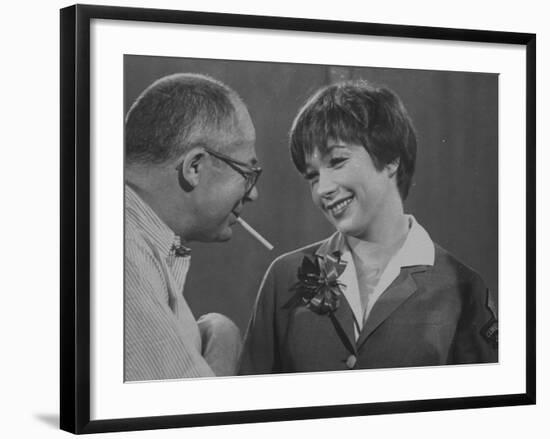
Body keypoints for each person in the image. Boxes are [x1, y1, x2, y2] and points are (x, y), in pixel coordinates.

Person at [239, 80, 497, 374]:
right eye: (312, 176)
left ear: (390, 159)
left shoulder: (462, 286)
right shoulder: (283, 278)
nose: (323, 188)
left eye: (337, 161)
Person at [125, 73, 262, 381]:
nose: (253, 193)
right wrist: (224, 339)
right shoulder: (122, 256)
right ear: (195, 167)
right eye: (248, 172)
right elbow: (191, 419)